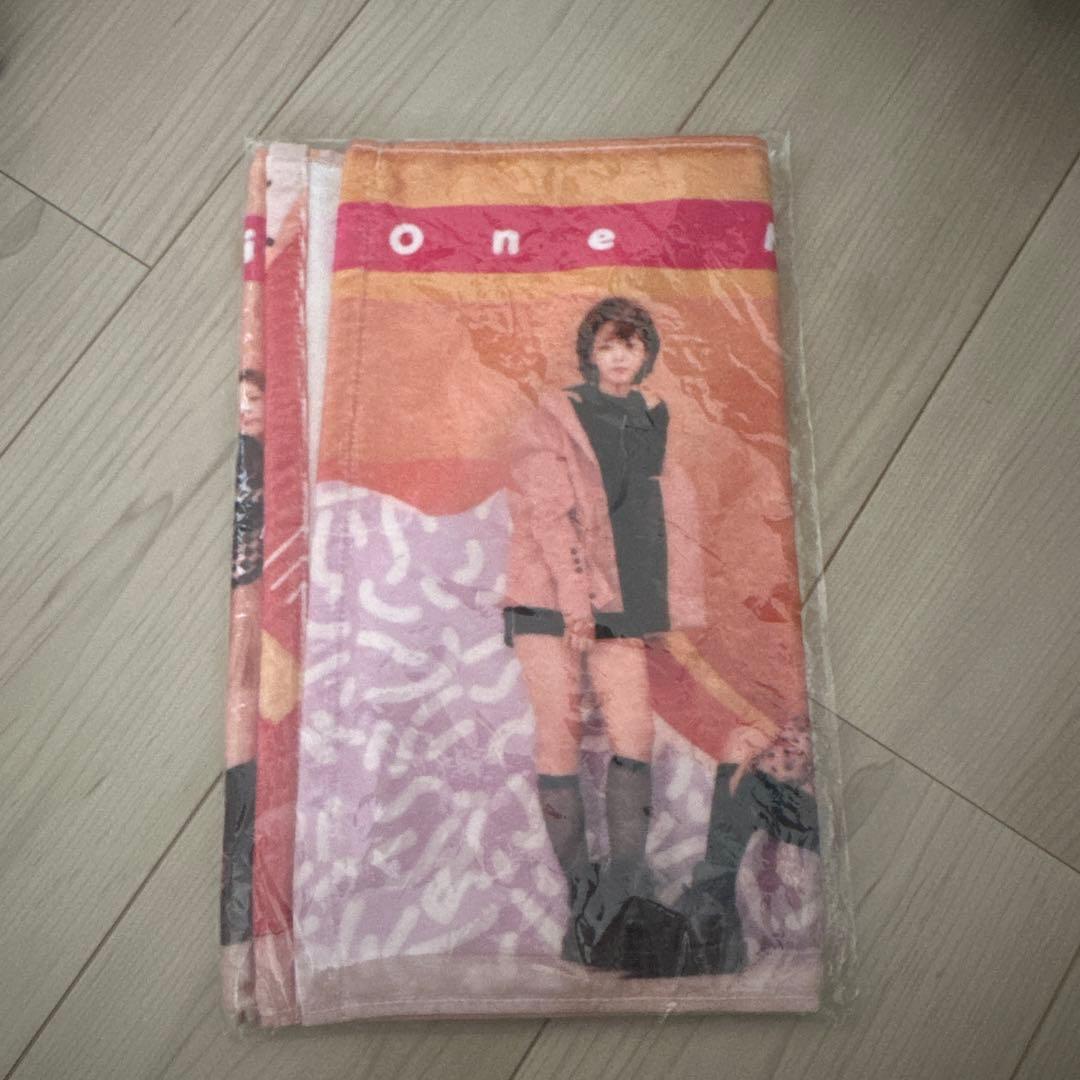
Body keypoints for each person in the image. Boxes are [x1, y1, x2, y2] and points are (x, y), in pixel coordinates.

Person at [503, 297, 705, 969]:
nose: (620, 356)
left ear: (647, 354)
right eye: (609, 344)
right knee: (558, 733)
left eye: (632, 344)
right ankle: (579, 894)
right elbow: (549, 515)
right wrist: (575, 601)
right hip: (548, 597)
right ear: (590, 352)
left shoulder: (651, 418)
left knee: (634, 734)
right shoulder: (550, 418)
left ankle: (620, 888)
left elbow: (656, 517)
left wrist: (666, 604)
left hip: (620, 599)